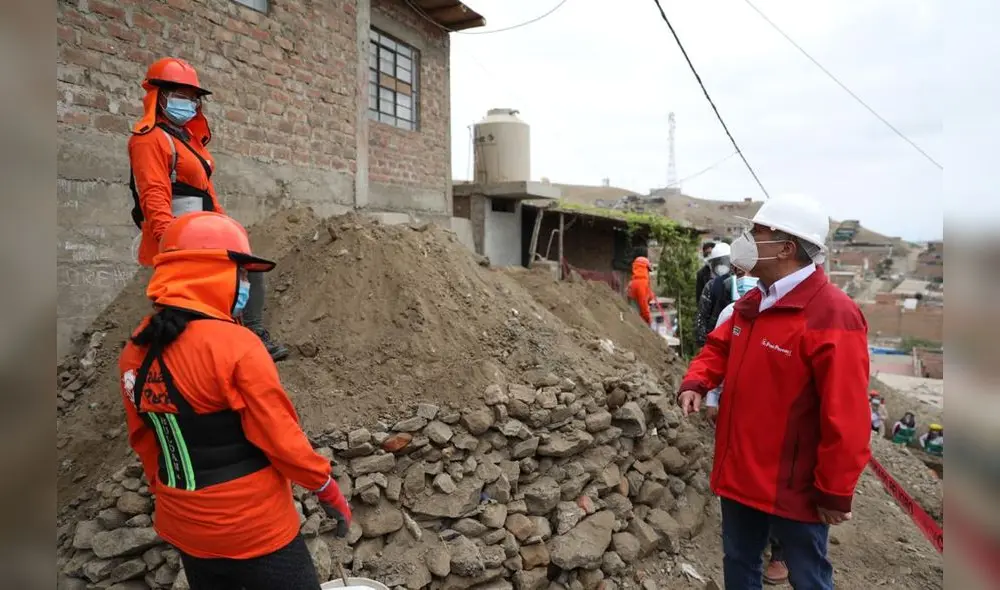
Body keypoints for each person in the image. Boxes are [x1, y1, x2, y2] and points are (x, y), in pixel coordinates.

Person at [118, 212, 351, 590]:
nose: (246, 284)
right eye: (241, 273)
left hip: (184, 527)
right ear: (209, 272)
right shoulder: (237, 346)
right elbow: (280, 438)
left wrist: (175, 499)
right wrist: (325, 487)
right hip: (253, 528)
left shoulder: (136, 347)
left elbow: (145, 441)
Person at [677, 194, 871, 590]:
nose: (746, 239)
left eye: (757, 232)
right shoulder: (754, 302)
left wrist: (834, 493)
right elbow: (717, 348)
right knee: (739, 565)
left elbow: (847, 415)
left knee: (808, 576)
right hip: (739, 475)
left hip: (794, 487)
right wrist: (697, 380)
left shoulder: (833, 315)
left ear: (785, 247)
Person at [128, 56, 288, 361]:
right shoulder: (150, 140)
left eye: (192, 98)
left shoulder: (188, 139)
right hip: (180, 240)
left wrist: (225, 228)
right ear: (159, 96)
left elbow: (206, 190)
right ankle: (200, 355)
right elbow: (155, 197)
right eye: (179, 96)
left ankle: (246, 335)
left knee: (246, 269)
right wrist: (171, 248)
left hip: (202, 232)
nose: (187, 104)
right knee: (198, 299)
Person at [703, 271, 788, 585]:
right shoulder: (733, 313)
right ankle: (752, 543)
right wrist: (710, 395)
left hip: (777, 424)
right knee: (743, 491)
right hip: (737, 416)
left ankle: (779, 552)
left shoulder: (797, 313)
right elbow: (716, 357)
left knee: (777, 488)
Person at [695, 242, 734, 348]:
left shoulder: (739, 283)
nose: (721, 266)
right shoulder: (711, 284)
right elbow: (702, 313)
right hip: (714, 332)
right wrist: (702, 342)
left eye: (724, 262)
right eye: (718, 263)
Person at [627, 255, 655, 327]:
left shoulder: (633, 282)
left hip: (633, 317)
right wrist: (648, 319)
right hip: (639, 321)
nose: (648, 273)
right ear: (644, 268)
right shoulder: (642, 283)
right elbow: (643, 303)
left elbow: (646, 294)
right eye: (648, 270)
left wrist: (651, 295)